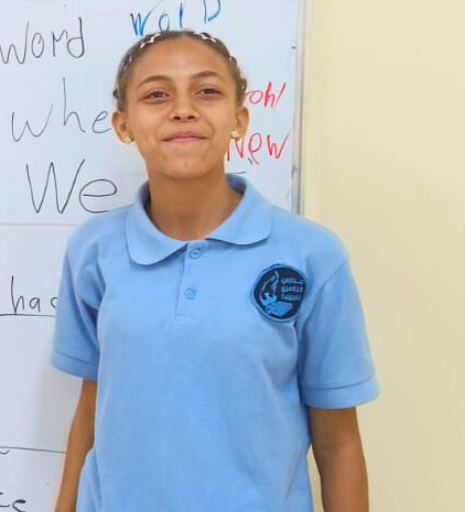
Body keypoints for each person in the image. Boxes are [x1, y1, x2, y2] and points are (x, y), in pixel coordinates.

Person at [51, 30, 380, 512]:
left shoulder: (311, 256)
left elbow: (339, 444)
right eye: (156, 94)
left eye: (207, 91)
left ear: (239, 120)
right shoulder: (94, 251)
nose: (183, 109)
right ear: (124, 125)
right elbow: (91, 409)